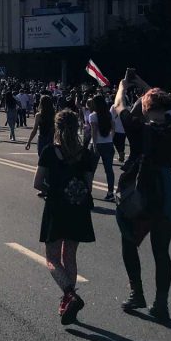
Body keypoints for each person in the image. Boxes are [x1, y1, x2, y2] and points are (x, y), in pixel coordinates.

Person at [114, 76, 171, 323]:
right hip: (165, 191)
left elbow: (118, 107)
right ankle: (161, 304)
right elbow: (158, 100)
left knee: (128, 241)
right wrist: (144, 85)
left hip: (141, 189)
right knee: (161, 252)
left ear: (145, 108)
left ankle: (137, 293)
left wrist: (124, 87)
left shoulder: (139, 128)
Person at [33, 109, 97, 324]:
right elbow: (88, 186)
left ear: (57, 128)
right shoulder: (86, 154)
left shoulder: (50, 152)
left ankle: (70, 295)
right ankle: (67, 301)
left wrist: (50, 189)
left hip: (56, 208)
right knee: (69, 255)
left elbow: (37, 183)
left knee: (51, 257)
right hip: (78, 209)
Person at [89, 94, 116, 201]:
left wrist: (94, 145)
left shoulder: (93, 116)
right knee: (109, 170)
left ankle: (88, 191)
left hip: (97, 144)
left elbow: (94, 132)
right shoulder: (109, 114)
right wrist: (111, 139)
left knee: (91, 169)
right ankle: (110, 193)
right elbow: (113, 128)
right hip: (108, 143)